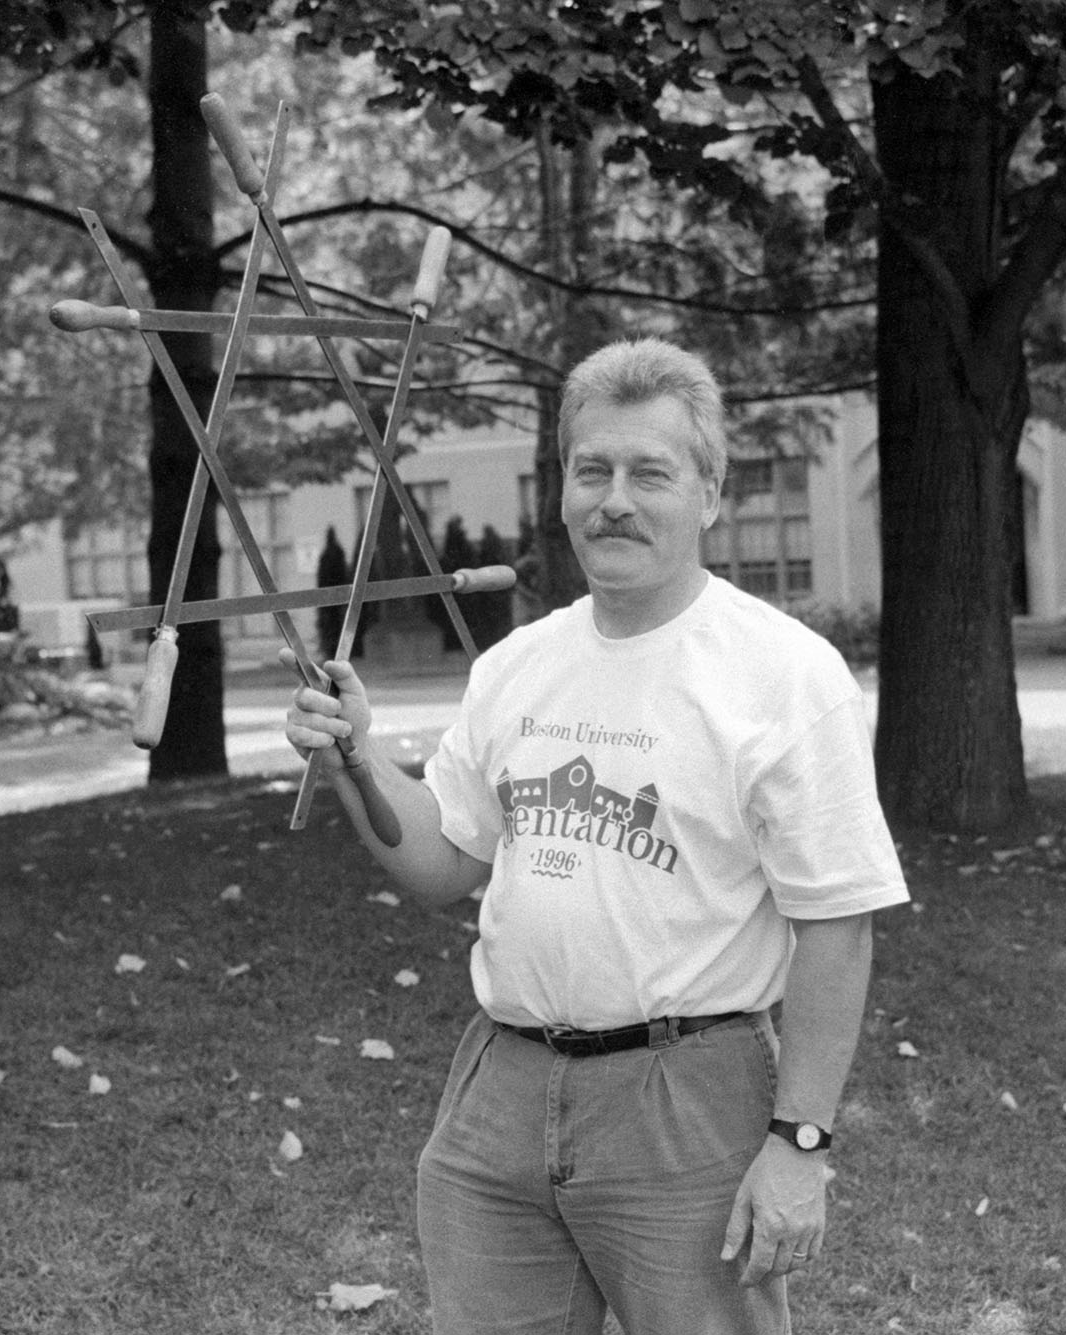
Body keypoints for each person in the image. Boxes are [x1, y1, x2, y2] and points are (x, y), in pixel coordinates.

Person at [282, 337, 908, 1334]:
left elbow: (838, 925)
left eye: (649, 472)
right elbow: (442, 865)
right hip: (498, 1092)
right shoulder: (516, 666)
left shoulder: (782, 675)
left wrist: (798, 1141)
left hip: (685, 1100)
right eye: (592, 470)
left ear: (709, 491)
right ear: (562, 487)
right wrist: (357, 759)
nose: (614, 500)